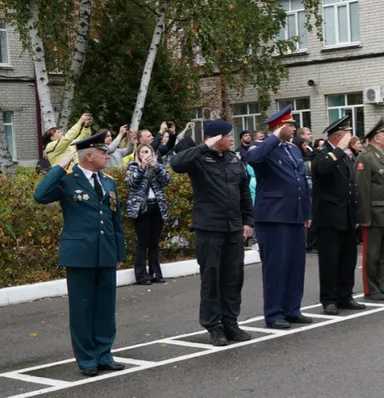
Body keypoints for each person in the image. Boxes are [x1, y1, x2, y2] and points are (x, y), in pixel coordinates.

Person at [33, 132, 126, 377]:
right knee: (82, 308)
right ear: (88, 155)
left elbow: (115, 219)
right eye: (103, 152)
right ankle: (87, 359)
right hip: (79, 253)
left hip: (105, 252)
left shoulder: (107, 181)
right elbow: (40, 196)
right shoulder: (67, 180)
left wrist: (120, 252)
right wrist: (60, 165)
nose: (107, 155)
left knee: (105, 307)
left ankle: (104, 354)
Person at [170, 120, 253, 346]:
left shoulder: (234, 159)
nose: (231, 139)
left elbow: (243, 191)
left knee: (233, 278)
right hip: (210, 229)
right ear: (216, 138)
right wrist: (204, 146)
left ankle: (230, 323)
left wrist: (247, 220)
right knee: (212, 279)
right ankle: (214, 326)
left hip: (234, 228)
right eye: (227, 136)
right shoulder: (198, 158)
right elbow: (176, 163)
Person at [248, 106, 313, 329]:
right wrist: (274, 137)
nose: (294, 129)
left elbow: (301, 181)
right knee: (276, 267)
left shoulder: (293, 150)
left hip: (294, 215)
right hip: (274, 216)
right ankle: (274, 313)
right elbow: (254, 159)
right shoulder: (262, 147)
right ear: (280, 127)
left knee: (295, 265)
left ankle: (292, 309)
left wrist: (307, 212)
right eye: (291, 125)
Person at [311, 115, 366, 315]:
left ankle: (345, 295)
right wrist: (337, 150)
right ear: (337, 136)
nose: (349, 140)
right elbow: (322, 170)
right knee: (329, 260)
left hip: (347, 217)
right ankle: (329, 299)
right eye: (346, 135)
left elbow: (351, 187)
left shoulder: (345, 155)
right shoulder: (320, 154)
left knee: (347, 259)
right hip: (329, 217)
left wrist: (356, 216)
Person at [355, 118, 384, 300]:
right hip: (375, 214)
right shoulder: (366, 158)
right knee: (372, 254)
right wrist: (364, 216)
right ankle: (371, 288)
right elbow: (362, 189)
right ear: (376, 138)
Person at [125, 143, 172, 285]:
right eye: (143, 152)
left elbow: (167, 181)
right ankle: (141, 275)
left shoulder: (159, 166)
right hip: (141, 207)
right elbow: (131, 183)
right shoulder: (133, 167)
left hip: (157, 206)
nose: (146, 155)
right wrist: (143, 168)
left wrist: (156, 167)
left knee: (154, 242)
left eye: (149, 152)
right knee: (142, 241)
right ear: (138, 154)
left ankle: (156, 273)